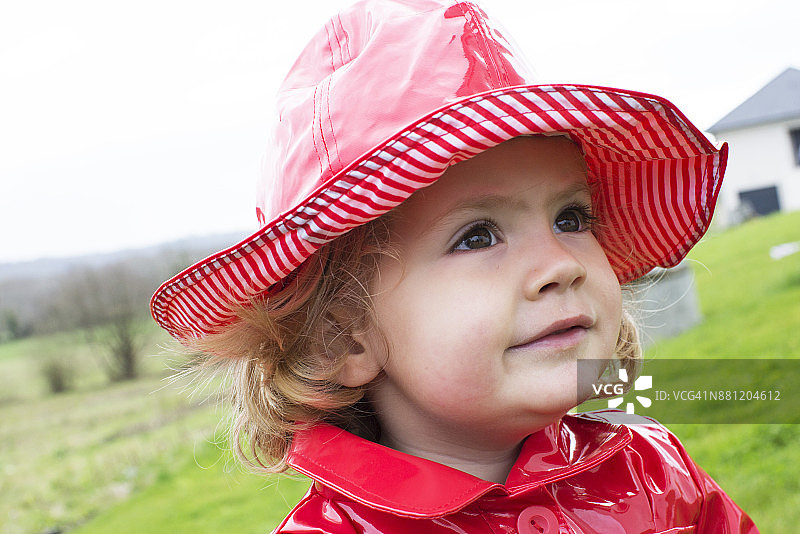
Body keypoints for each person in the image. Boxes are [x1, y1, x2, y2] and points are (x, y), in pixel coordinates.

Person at [151, 1, 758, 532]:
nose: (559, 265)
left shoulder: (656, 475)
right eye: (477, 236)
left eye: (571, 218)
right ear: (344, 335)